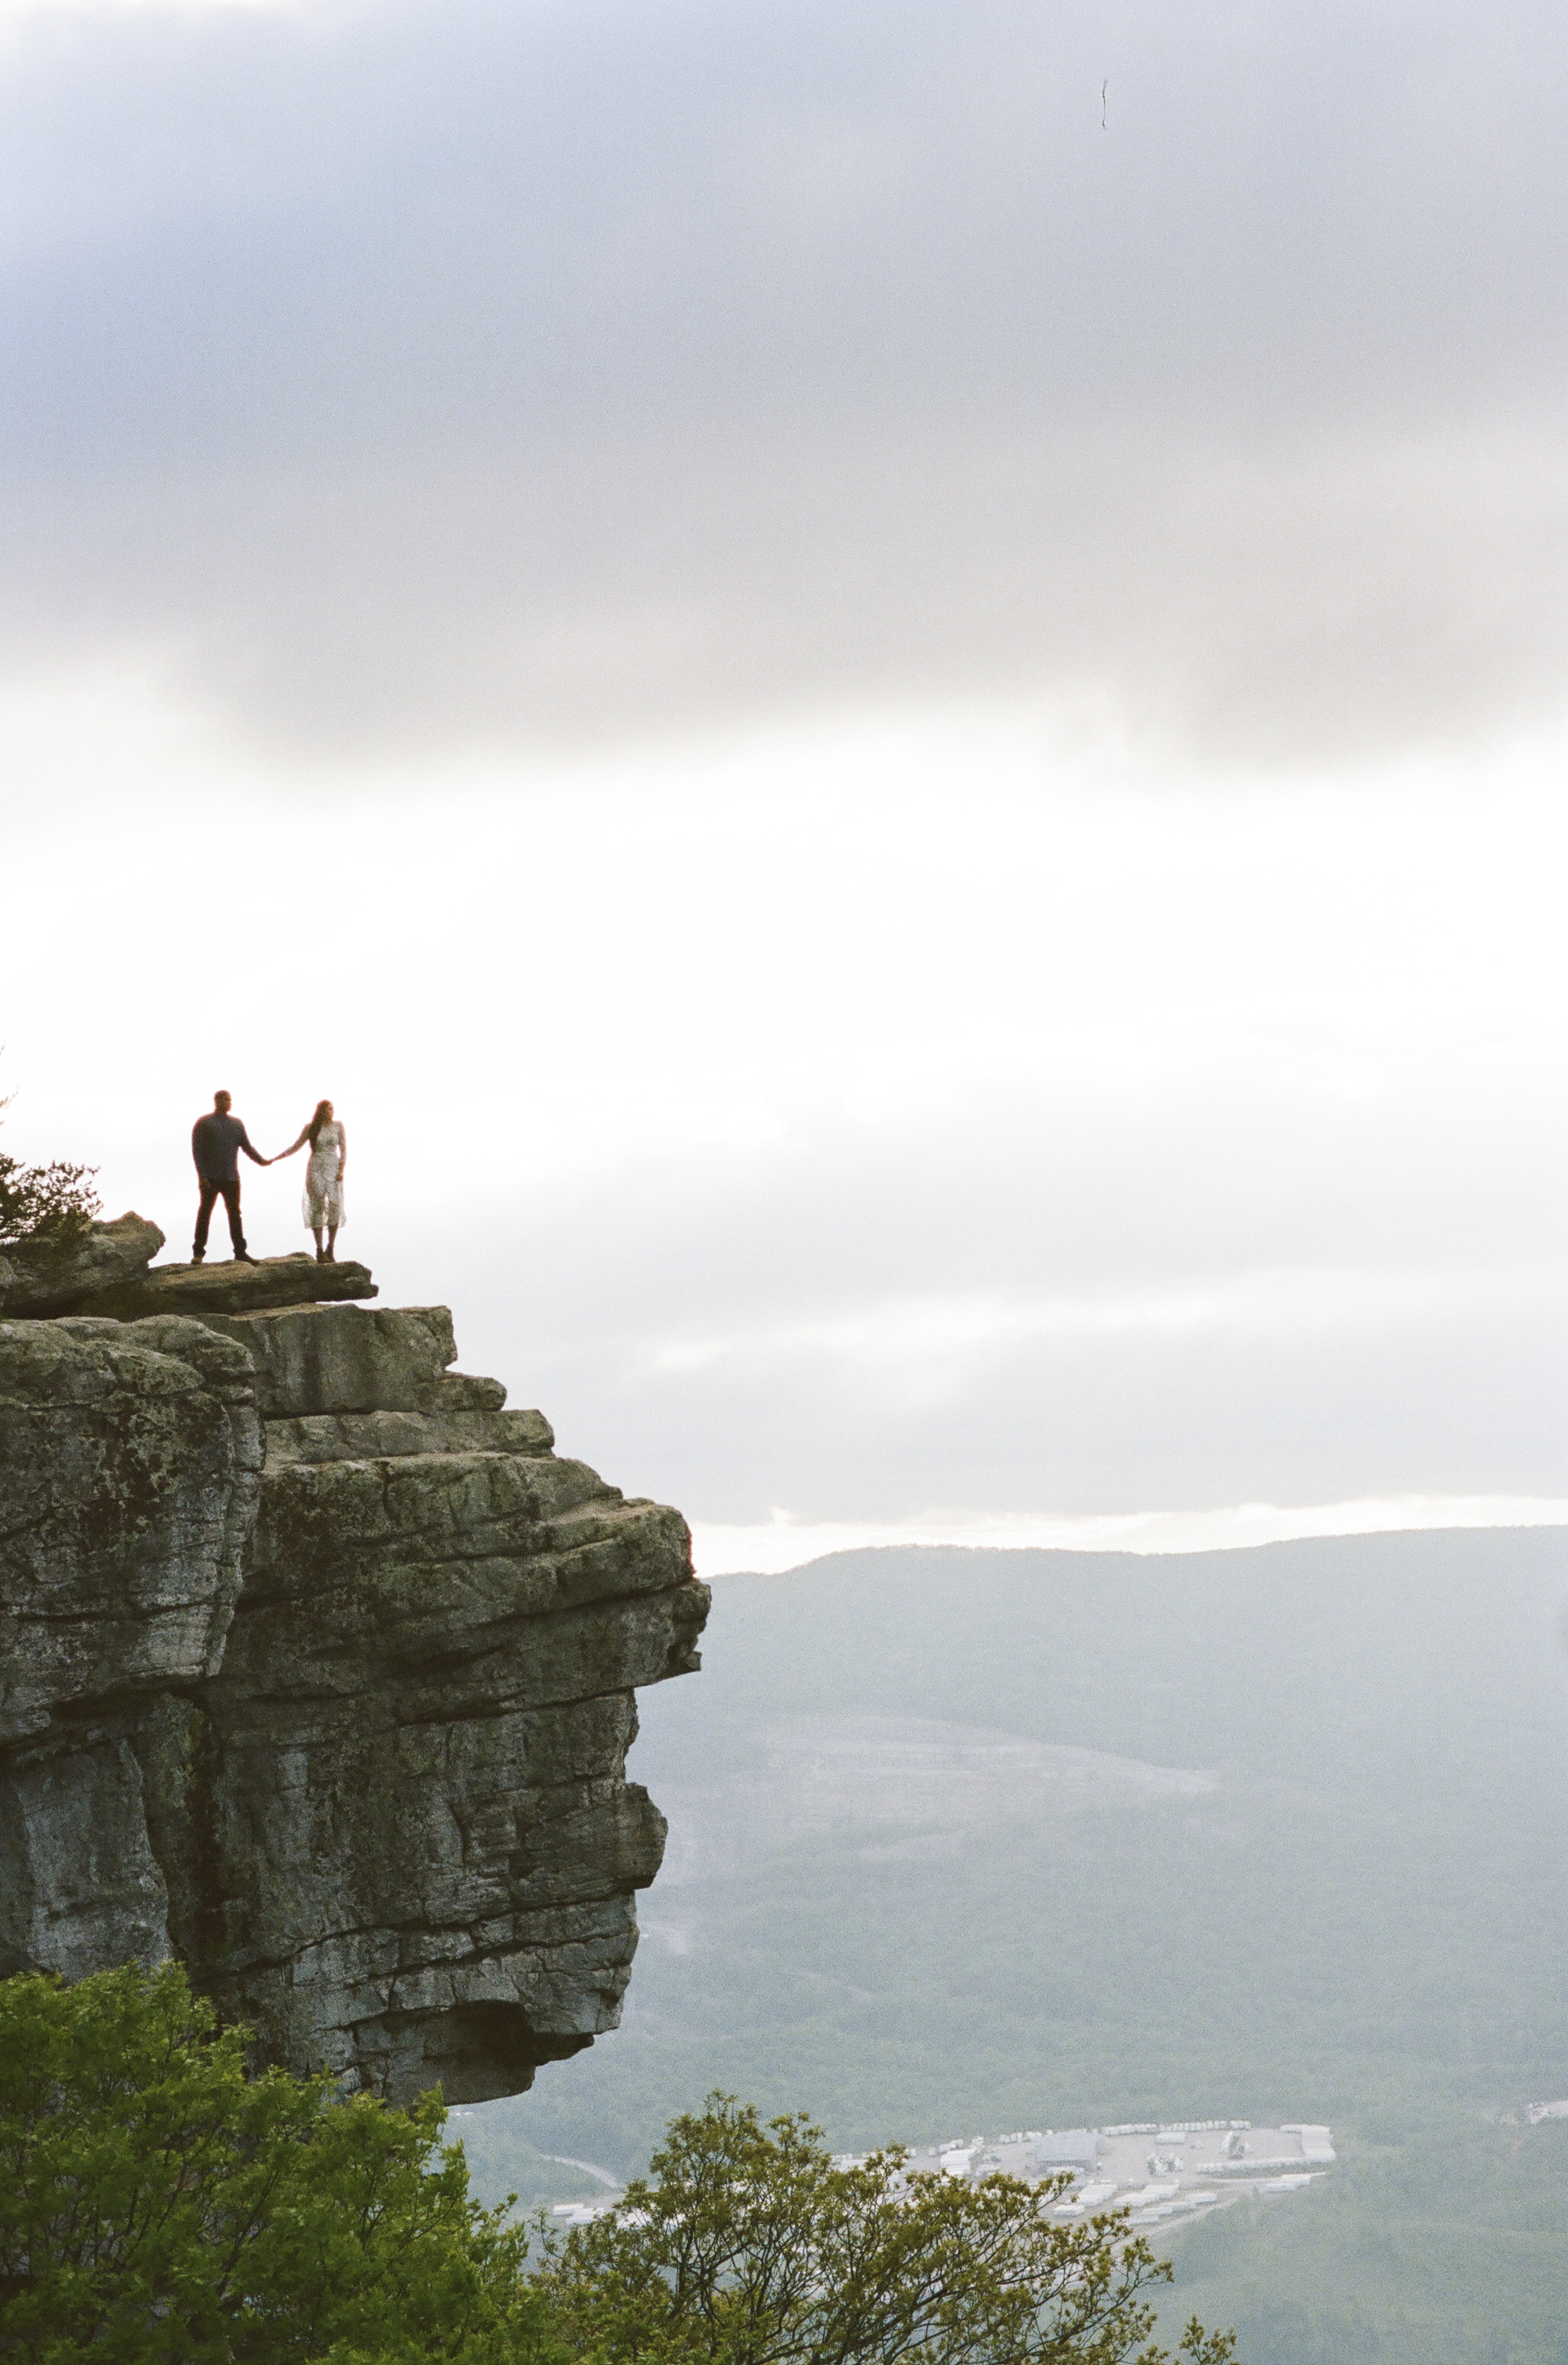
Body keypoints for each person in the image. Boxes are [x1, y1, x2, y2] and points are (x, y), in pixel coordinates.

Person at [191, 1089, 268, 1264]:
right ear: (216, 1101)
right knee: (205, 1213)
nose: (228, 1103)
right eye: (225, 1100)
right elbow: (197, 1151)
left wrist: (261, 1161)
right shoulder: (204, 1123)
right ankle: (198, 1253)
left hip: (231, 1177)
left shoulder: (236, 1124)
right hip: (211, 1177)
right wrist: (202, 1176)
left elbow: (247, 1147)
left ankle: (240, 1252)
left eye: (229, 1100)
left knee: (235, 1214)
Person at [274, 1099, 348, 1262]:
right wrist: (276, 1158)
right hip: (315, 1167)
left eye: (332, 1109)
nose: (331, 1112)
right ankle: (319, 1249)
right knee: (318, 1205)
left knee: (335, 1205)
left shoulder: (338, 1126)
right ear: (321, 1111)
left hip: (333, 1167)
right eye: (328, 1109)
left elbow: (344, 1151)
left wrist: (341, 1170)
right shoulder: (310, 1128)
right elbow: (296, 1146)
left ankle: (330, 1248)